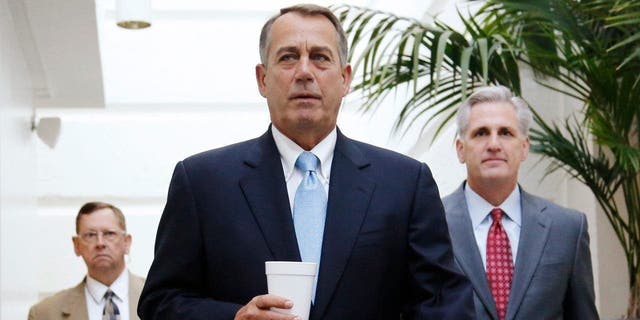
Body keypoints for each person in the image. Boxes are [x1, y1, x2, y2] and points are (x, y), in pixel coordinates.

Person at [138, 4, 474, 320]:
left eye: (319, 57)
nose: (304, 72)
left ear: (345, 79)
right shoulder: (202, 183)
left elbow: (443, 304)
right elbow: (160, 301)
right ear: (262, 79)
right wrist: (234, 317)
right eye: (287, 57)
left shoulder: (404, 183)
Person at [442, 85, 598, 320]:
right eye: (481, 133)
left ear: (524, 147)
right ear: (460, 149)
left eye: (505, 132)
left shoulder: (567, 229)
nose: (494, 144)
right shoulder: (430, 223)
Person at [28, 202, 145, 320]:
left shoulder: (159, 298)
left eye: (109, 234)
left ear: (126, 242)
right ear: (77, 245)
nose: (100, 243)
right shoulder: (44, 314)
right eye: (90, 235)